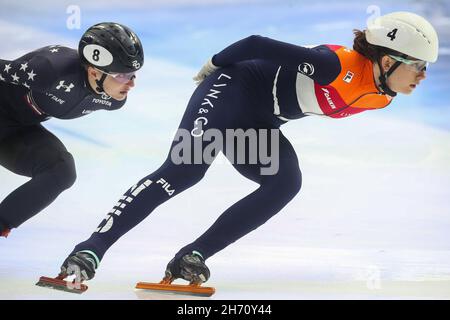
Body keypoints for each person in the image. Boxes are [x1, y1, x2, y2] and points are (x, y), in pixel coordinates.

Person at [58, 12, 439, 286]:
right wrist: (213, 64)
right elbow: (257, 44)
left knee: (284, 183)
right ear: (388, 60)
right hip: (231, 88)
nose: (423, 76)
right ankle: (91, 249)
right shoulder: (332, 65)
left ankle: (193, 255)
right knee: (183, 171)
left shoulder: (384, 95)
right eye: (418, 66)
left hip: (258, 121)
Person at [0, 22, 144, 238]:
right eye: (122, 76)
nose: (131, 84)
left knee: (60, 171)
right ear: (95, 72)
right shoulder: (50, 70)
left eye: (133, 74)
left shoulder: (113, 99)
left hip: (17, 131)